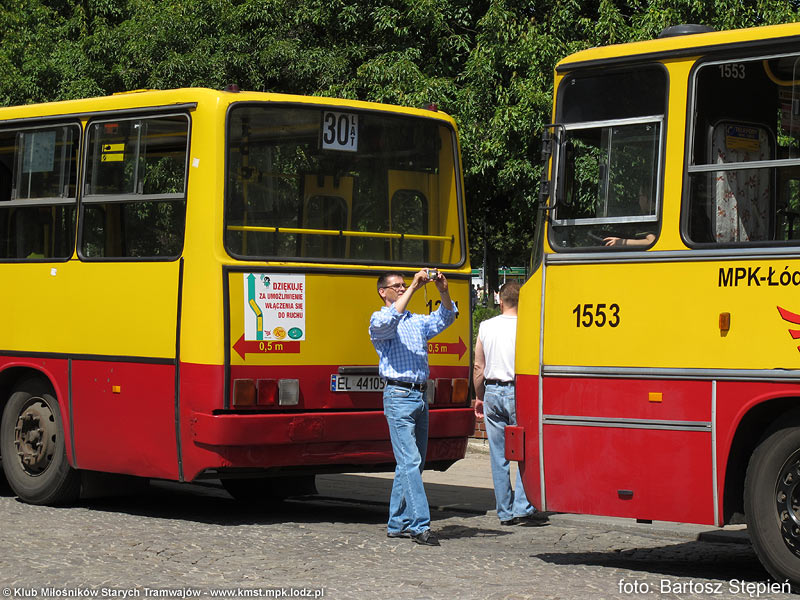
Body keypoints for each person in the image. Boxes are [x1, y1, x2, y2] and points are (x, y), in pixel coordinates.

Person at [369, 269, 456, 546]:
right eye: (396, 286)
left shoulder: (415, 321)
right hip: (398, 396)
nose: (402, 288)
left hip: (419, 396)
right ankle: (420, 525)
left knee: (409, 464)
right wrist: (414, 287)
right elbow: (389, 321)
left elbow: (446, 317)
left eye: (403, 284)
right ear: (383, 292)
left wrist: (443, 290)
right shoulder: (379, 318)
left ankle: (397, 522)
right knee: (410, 462)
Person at [473, 281, 546, 526]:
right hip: (520, 393)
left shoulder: (486, 326)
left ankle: (504, 511)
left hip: (492, 391)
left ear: (500, 301)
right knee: (526, 452)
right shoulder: (530, 327)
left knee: (498, 456)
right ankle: (522, 507)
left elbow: (479, 367)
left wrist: (479, 396)